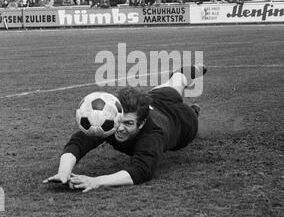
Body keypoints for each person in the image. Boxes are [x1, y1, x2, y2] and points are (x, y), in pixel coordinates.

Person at [43, 65, 207, 192]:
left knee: (186, 104)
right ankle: (191, 71)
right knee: (178, 78)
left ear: (141, 124)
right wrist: (63, 172)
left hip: (181, 120)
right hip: (156, 98)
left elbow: (141, 171)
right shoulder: (110, 119)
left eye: (128, 124)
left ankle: (194, 110)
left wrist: (96, 181)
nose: (120, 128)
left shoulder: (153, 134)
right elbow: (79, 142)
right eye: (120, 121)